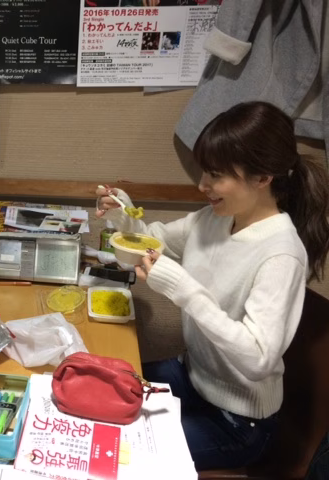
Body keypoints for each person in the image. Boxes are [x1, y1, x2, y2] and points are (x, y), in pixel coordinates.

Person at [96, 102, 329, 471]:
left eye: (216, 175)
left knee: (120, 453)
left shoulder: (281, 254)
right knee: (100, 389)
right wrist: (123, 214)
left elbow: (258, 359)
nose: (202, 185)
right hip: (192, 376)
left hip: (237, 421)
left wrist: (184, 289)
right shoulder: (215, 218)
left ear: (262, 178)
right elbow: (155, 240)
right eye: (204, 171)